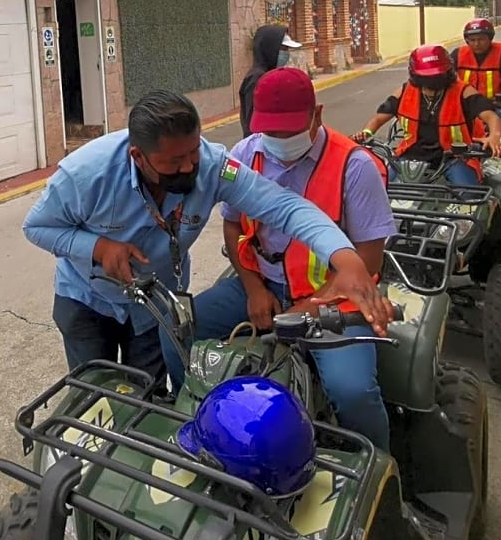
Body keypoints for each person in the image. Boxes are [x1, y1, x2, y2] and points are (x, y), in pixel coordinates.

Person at [24, 90, 394, 387]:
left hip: (155, 304)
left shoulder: (214, 165)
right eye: (173, 162)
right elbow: (37, 227)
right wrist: (98, 247)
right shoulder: (85, 175)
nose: (188, 168)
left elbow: (284, 207)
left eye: (193, 153)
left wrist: (344, 256)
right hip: (89, 303)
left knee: (149, 395)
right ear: (139, 156)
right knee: (96, 397)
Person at [162, 68, 396, 450]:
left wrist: (307, 308)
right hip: (262, 284)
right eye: (270, 132)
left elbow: (368, 260)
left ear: (316, 115)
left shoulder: (355, 166)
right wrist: (254, 288)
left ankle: (379, 470)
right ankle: (193, 427)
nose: (277, 141)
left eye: (288, 132)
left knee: (352, 390)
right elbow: (233, 226)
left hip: (334, 301)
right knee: (176, 333)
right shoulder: (245, 153)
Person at [352, 44, 501, 186]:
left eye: (436, 78)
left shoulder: (463, 91)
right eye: (426, 78)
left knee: (469, 196)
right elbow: (379, 117)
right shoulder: (405, 91)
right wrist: (366, 133)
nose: (431, 83)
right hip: (411, 154)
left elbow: (491, 116)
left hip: (454, 156)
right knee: (382, 188)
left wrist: (495, 136)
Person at [239, 25, 302, 137]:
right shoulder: (257, 79)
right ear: (270, 49)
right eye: (283, 49)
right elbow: (252, 123)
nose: (286, 54)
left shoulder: (270, 75)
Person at [451, 18, 501, 100]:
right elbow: (446, 72)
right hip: (466, 104)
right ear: (467, 40)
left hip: (499, 104)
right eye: (472, 40)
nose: (477, 44)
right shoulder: (458, 53)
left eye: (481, 39)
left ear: (490, 38)